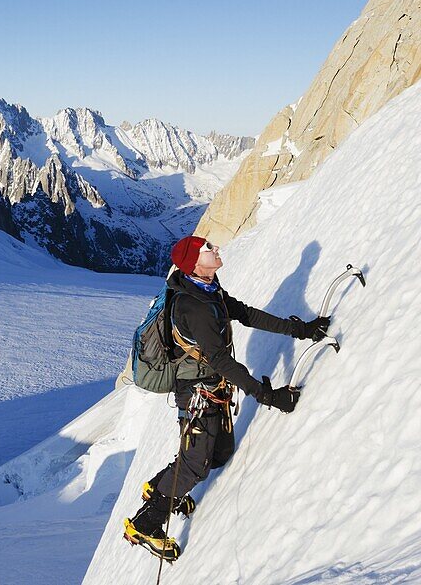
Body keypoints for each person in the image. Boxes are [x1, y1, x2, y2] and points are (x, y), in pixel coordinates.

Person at [123, 235, 330, 561]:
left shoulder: (207, 290)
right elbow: (219, 360)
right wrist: (266, 395)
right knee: (196, 465)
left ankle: (160, 487)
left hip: (208, 387)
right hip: (197, 392)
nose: (216, 249)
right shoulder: (194, 306)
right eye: (208, 249)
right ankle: (145, 524)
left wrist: (300, 331)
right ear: (194, 263)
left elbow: (245, 314)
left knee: (213, 454)